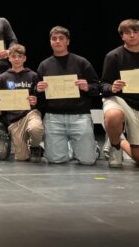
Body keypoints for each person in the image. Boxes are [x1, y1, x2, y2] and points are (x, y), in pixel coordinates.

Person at [101, 19, 139, 168]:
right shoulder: (113, 56)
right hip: (119, 99)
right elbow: (103, 85)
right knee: (113, 116)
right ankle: (115, 147)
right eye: (127, 33)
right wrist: (112, 87)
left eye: (135, 32)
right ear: (122, 36)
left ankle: (119, 140)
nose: (132, 35)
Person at [36, 26, 99, 165]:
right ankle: (70, 148)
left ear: (68, 41)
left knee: (87, 161)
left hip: (79, 116)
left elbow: (97, 88)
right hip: (53, 117)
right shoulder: (44, 65)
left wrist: (87, 87)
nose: (57, 41)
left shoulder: (81, 62)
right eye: (54, 39)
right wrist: (38, 89)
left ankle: (93, 148)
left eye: (61, 38)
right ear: (50, 42)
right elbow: (37, 95)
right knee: (55, 160)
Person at [0, 44, 44, 162]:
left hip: (30, 113)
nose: (17, 59)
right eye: (14, 56)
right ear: (9, 58)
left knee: (36, 129)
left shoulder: (33, 75)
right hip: (14, 119)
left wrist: (36, 99)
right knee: (22, 158)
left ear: (24, 58)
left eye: (19, 56)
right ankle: (26, 146)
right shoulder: (3, 77)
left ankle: (34, 146)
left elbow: (40, 96)